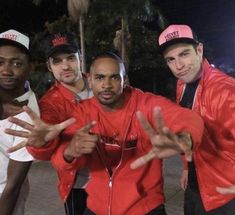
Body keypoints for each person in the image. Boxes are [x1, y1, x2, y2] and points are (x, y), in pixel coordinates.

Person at [6, 52, 204, 215]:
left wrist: (186, 138)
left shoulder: (146, 103)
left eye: (114, 77)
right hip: (96, 207)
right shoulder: (82, 112)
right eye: (100, 78)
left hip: (145, 208)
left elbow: (187, 118)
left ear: (124, 79)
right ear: (90, 80)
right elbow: (60, 162)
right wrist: (69, 151)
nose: (107, 85)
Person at [158, 24, 235, 214]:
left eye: (184, 54)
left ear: (199, 50)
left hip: (224, 192)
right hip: (196, 181)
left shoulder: (225, 91)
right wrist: (186, 167)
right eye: (171, 59)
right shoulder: (181, 84)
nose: (179, 66)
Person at [28, 32, 93, 215]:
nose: (65, 66)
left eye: (71, 58)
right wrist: (42, 143)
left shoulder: (102, 83)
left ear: (80, 58)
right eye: (57, 61)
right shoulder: (49, 103)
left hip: (118, 179)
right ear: (49, 66)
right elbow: (46, 149)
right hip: (79, 186)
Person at [0, 29, 40, 215]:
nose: (6, 70)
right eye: (0, 62)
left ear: (30, 66)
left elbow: (13, 187)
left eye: (16, 63)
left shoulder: (29, 114)